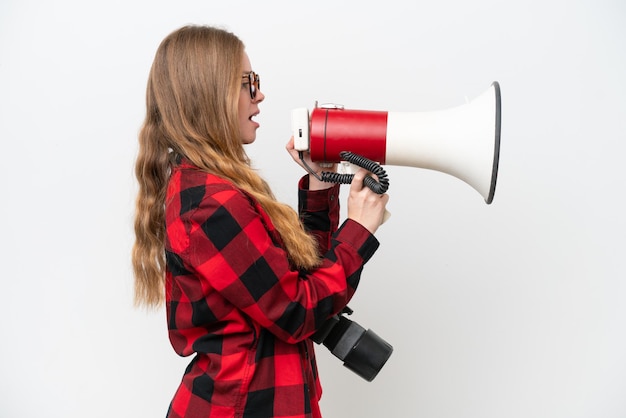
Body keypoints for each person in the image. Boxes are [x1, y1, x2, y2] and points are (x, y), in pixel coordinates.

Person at [132, 25, 389, 418]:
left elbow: (298, 278)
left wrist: (321, 183)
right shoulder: (209, 203)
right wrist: (358, 232)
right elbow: (297, 311)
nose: (259, 94)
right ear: (209, 93)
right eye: (247, 83)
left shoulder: (218, 189)